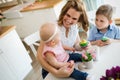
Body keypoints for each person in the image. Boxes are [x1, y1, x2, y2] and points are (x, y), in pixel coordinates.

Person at [37, 0, 90, 79]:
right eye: (68, 15)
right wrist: (56, 72)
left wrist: (83, 46)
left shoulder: (74, 27)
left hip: (67, 58)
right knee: (74, 73)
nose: (69, 20)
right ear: (63, 12)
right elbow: (39, 57)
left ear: (78, 20)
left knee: (86, 63)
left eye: (74, 18)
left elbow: (76, 45)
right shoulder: (52, 28)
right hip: (51, 68)